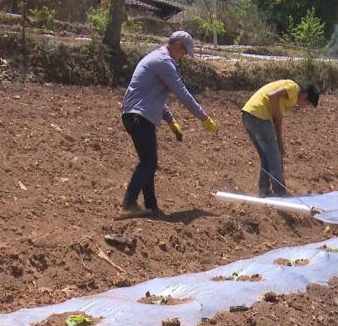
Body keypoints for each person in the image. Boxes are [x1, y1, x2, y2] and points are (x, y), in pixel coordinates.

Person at [120, 31, 219, 218]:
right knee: (149, 162)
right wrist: (203, 117)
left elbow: (152, 97)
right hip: (139, 116)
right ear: (178, 46)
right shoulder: (164, 62)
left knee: (148, 161)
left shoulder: (157, 58)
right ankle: (129, 202)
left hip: (135, 115)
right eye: (184, 53)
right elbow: (182, 93)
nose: (183, 57)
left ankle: (150, 206)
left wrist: (171, 120)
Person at [241, 79, 320, 197]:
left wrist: (280, 143)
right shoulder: (294, 88)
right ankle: (280, 193)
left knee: (266, 157)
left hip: (248, 116)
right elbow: (273, 96)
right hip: (259, 117)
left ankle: (264, 192)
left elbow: (278, 122)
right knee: (274, 158)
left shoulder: (290, 99)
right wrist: (277, 117)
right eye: (307, 104)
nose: (305, 107)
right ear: (305, 95)